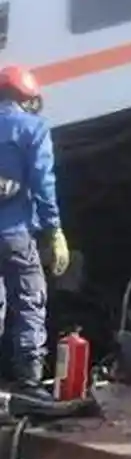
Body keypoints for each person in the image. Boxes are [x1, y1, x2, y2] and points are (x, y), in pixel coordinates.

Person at [0, 65, 68, 396]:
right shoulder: (32, 128)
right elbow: (43, 182)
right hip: (15, 233)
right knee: (29, 300)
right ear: (27, 95)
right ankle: (27, 380)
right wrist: (54, 230)